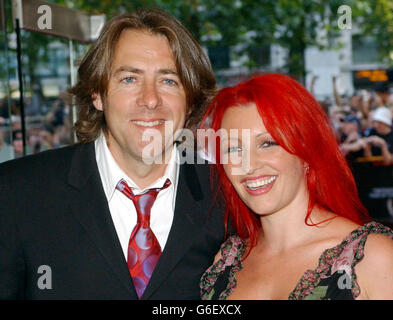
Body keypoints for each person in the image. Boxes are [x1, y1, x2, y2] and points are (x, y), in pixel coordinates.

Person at [0, 8, 225, 300]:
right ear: (97, 94)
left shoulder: (225, 197)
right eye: (129, 79)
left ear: (191, 100)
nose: (150, 99)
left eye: (169, 81)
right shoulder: (16, 192)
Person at [199, 74, 393, 300]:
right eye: (233, 149)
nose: (248, 165)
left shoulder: (374, 258)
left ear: (306, 153)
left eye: (268, 143)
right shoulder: (225, 262)